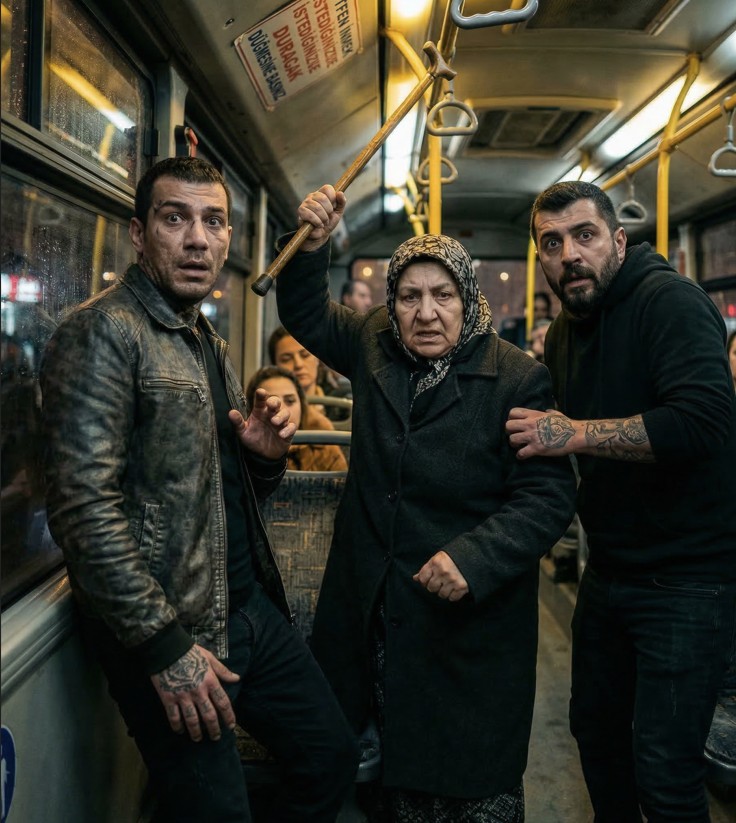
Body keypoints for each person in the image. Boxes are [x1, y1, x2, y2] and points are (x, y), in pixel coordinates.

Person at [39, 157, 358, 823]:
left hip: (243, 606)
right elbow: (82, 510)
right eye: (174, 218)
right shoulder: (103, 332)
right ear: (138, 233)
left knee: (329, 758)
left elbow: (207, 493)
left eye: (213, 222)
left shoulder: (203, 337)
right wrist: (164, 648)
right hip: (172, 627)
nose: (197, 240)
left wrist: (263, 461)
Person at [275, 184, 577, 821]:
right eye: (409, 296)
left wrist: (474, 557)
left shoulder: (516, 378)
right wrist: (312, 244)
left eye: (443, 295)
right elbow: (304, 311)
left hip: (465, 626)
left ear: (468, 299)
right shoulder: (373, 344)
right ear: (392, 304)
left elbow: (547, 497)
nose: (426, 313)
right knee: (388, 783)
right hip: (376, 614)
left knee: (468, 784)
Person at [506, 180, 736, 822]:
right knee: (597, 735)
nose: (570, 255)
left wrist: (573, 434)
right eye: (552, 243)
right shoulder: (563, 335)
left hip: (689, 578)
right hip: (611, 571)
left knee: (665, 771)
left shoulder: (672, 303)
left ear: (619, 240)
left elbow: (701, 422)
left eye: (584, 235)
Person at [245, 366, 347, 472]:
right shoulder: (244, 451)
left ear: (302, 406)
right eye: (270, 403)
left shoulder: (324, 445)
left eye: (290, 401)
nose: (282, 410)